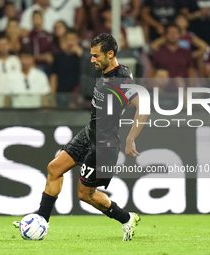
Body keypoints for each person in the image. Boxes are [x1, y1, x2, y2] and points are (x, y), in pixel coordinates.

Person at [13, 33, 149, 241]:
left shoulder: (121, 79)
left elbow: (143, 107)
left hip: (104, 145)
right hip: (89, 134)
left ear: (110, 54)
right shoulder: (108, 71)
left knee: (85, 195)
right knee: (54, 168)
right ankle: (41, 221)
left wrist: (131, 138)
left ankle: (126, 218)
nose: (92, 60)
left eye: (96, 56)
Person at [148, 24, 195, 91]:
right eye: (170, 33)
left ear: (179, 35)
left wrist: (191, 90)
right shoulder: (160, 52)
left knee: (179, 81)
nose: (173, 35)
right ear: (166, 35)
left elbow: (191, 73)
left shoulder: (186, 53)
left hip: (181, 86)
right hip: (163, 87)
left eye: (175, 33)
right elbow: (151, 72)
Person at [50, 29, 82, 107]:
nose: (70, 42)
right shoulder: (58, 57)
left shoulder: (83, 57)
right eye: (67, 39)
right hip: (61, 94)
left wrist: (81, 55)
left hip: (78, 95)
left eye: (72, 39)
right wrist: (52, 96)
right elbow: (54, 77)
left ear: (77, 40)